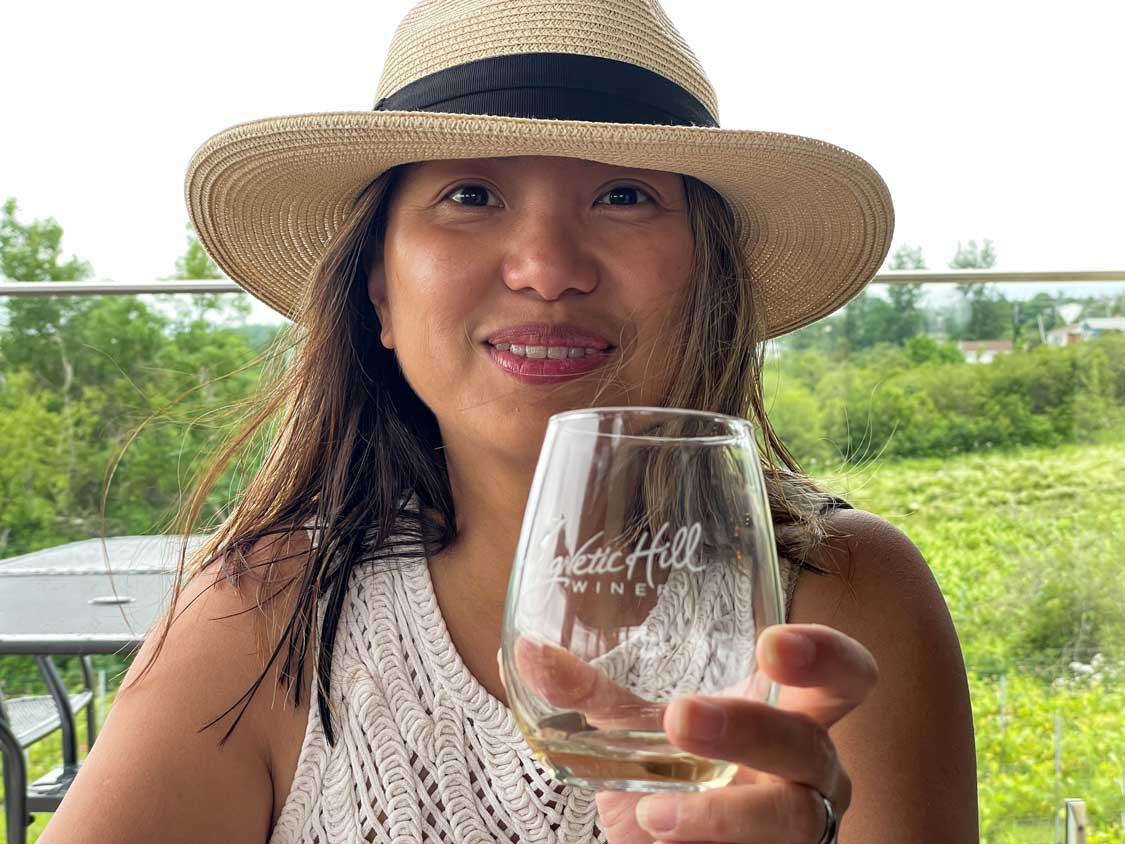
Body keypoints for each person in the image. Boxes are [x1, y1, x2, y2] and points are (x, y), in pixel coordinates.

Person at [40, 1, 977, 842]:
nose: (545, 266)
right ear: (379, 290)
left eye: (623, 195)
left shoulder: (844, 596)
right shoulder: (260, 610)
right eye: (470, 195)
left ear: (709, 280)